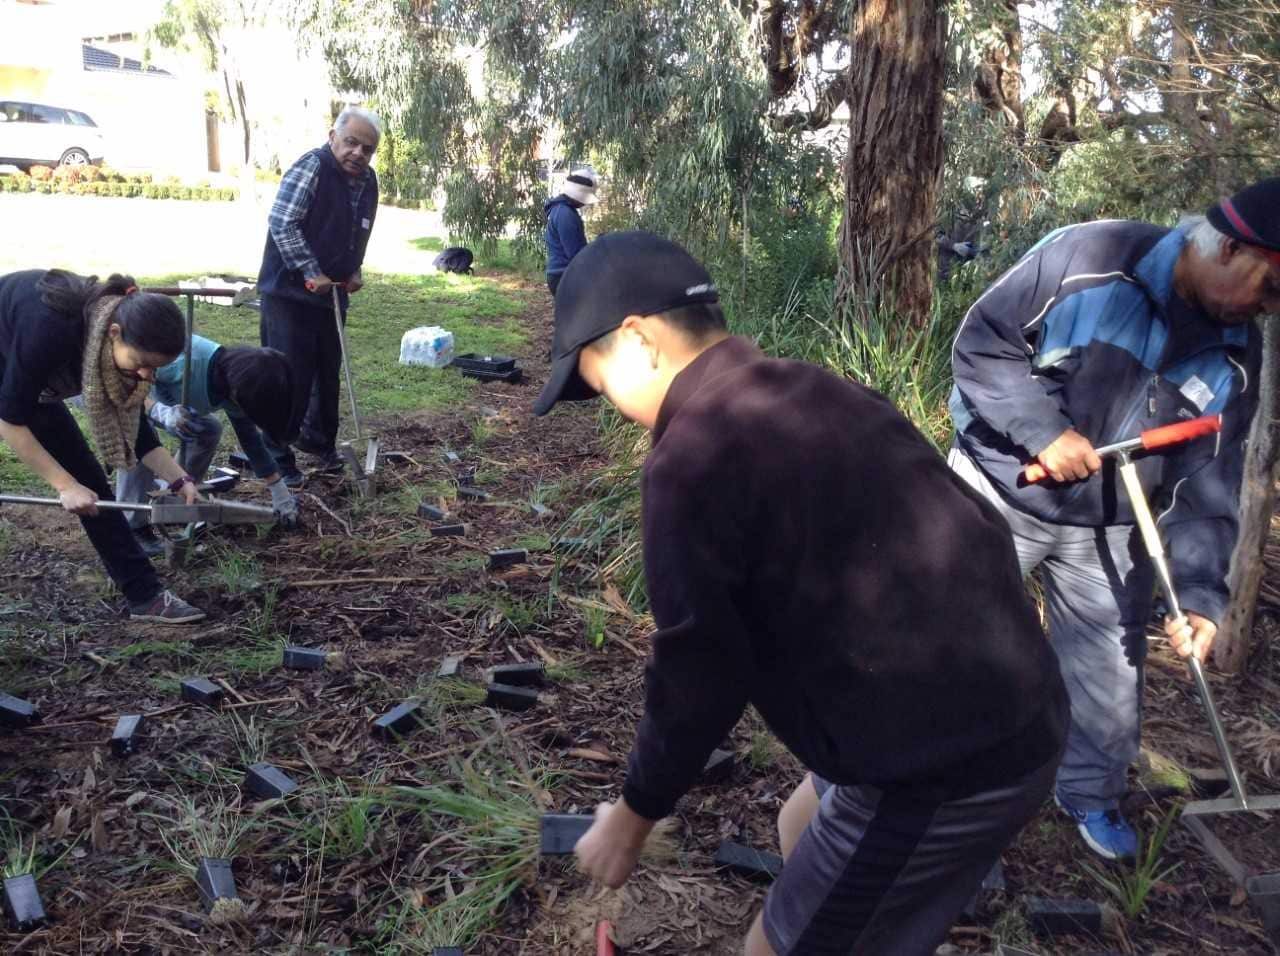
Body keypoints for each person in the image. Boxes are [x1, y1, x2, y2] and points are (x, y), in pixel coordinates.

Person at [535, 231, 1069, 956]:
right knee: (800, 827)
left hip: (946, 760)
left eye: (597, 382)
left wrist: (633, 815)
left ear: (638, 341)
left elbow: (700, 671)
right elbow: (975, 527)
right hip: (1007, 698)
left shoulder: (690, 458)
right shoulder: (818, 388)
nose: (608, 403)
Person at [947, 178, 1279, 862]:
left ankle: (1089, 794)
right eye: (1270, 290)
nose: (1269, 312)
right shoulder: (1089, 257)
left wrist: (1199, 596)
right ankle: (931, 809)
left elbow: (1209, 485)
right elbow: (982, 346)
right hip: (1001, 486)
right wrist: (1043, 431)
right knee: (950, 650)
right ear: (1229, 249)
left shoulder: (1239, 351)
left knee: (1111, 671)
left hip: (1113, 519)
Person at [0, 269, 206, 624]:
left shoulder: (111, 343)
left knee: (93, 488)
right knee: (77, 482)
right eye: (142, 364)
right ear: (115, 334)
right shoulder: (51, 331)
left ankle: (146, 597)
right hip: (11, 359)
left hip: (35, 377)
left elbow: (135, 429)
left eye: (154, 370)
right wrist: (64, 485)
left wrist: (179, 479)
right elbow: (10, 419)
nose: (146, 376)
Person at [258, 105, 380, 485]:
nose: (358, 153)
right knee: (287, 376)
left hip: (331, 294)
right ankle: (276, 456)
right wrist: (312, 271)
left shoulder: (367, 180)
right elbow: (282, 221)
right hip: (289, 294)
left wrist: (353, 268)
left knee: (327, 374)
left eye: (367, 148)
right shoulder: (313, 166)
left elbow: (357, 232)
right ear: (333, 137)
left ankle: (319, 443)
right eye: (351, 143)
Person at [115, 336, 299, 556]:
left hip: (166, 406)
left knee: (208, 428)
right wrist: (159, 411)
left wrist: (278, 489)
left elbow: (250, 439)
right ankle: (133, 526)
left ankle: (171, 497)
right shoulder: (181, 364)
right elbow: (121, 381)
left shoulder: (234, 386)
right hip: (112, 391)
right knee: (138, 434)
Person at [543, 166, 597, 296]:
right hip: (564, 276)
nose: (585, 204)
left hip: (560, 275)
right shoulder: (565, 214)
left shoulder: (560, 210)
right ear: (577, 195)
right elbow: (574, 253)